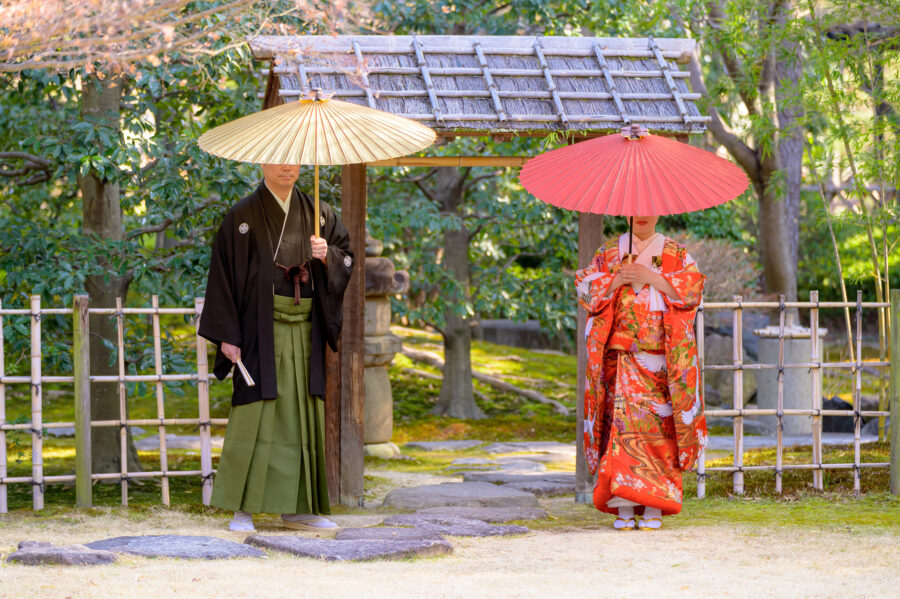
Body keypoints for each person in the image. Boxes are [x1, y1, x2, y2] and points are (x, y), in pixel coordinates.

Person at [199, 163, 353, 532]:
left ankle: (300, 508)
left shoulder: (321, 213)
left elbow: (347, 257)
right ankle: (242, 509)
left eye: (294, 160)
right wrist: (228, 335)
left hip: (305, 326)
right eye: (278, 160)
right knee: (257, 411)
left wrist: (326, 253)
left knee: (303, 412)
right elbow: (222, 274)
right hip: (258, 327)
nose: (287, 167)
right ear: (263, 163)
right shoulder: (243, 215)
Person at [575, 216, 706, 530]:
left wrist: (652, 277)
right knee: (620, 435)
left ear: (660, 210)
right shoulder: (608, 254)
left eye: (649, 207)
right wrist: (617, 280)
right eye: (635, 208)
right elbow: (585, 291)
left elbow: (692, 290)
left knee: (659, 432)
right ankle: (623, 507)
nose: (643, 213)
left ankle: (654, 508)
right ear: (624, 211)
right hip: (621, 363)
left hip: (660, 362)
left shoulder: (676, 254)